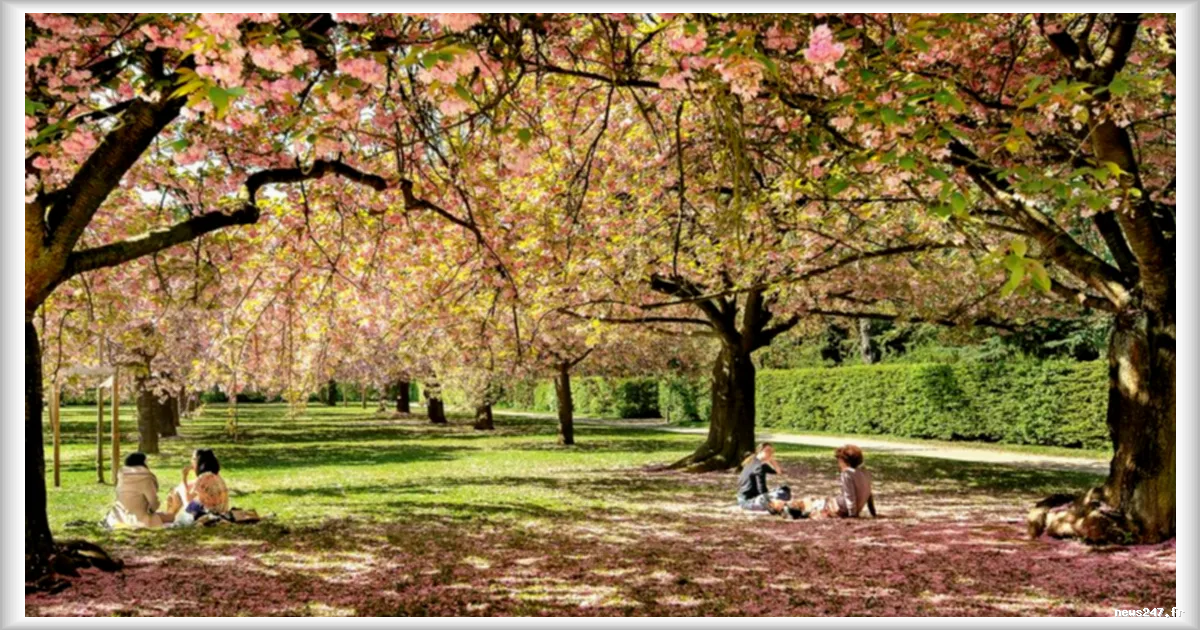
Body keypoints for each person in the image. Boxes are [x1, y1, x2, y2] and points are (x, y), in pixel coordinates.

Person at [783, 445, 877, 520]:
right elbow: (869, 494)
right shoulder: (864, 472)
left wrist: (853, 515)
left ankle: (786, 508)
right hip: (844, 507)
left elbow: (850, 496)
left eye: (839, 461)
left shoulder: (847, 474)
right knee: (812, 501)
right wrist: (873, 512)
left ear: (844, 461)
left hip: (839, 508)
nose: (839, 464)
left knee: (807, 503)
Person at [165, 448, 230, 520]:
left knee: (180, 490)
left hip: (209, 517)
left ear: (200, 461)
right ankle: (170, 516)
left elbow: (188, 500)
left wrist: (184, 477)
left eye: (193, 459)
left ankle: (169, 516)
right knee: (182, 489)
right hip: (222, 513)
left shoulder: (202, 478)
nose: (191, 462)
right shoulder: (216, 476)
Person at [105, 453, 166, 529]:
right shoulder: (146, 479)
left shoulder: (121, 476)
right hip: (139, 519)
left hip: (117, 516)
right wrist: (151, 510)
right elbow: (154, 503)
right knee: (168, 517)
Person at [737, 443, 791, 513]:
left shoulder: (754, 461)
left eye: (772, 452)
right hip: (749, 502)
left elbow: (778, 472)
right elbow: (761, 490)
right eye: (767, 451)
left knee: (783, 490)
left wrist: (772, 460)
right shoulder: (759, 466)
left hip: (743, 500)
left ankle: (774, 502)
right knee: (784, 492)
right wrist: (769, 502)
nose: (770, 453)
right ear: (760, 451)